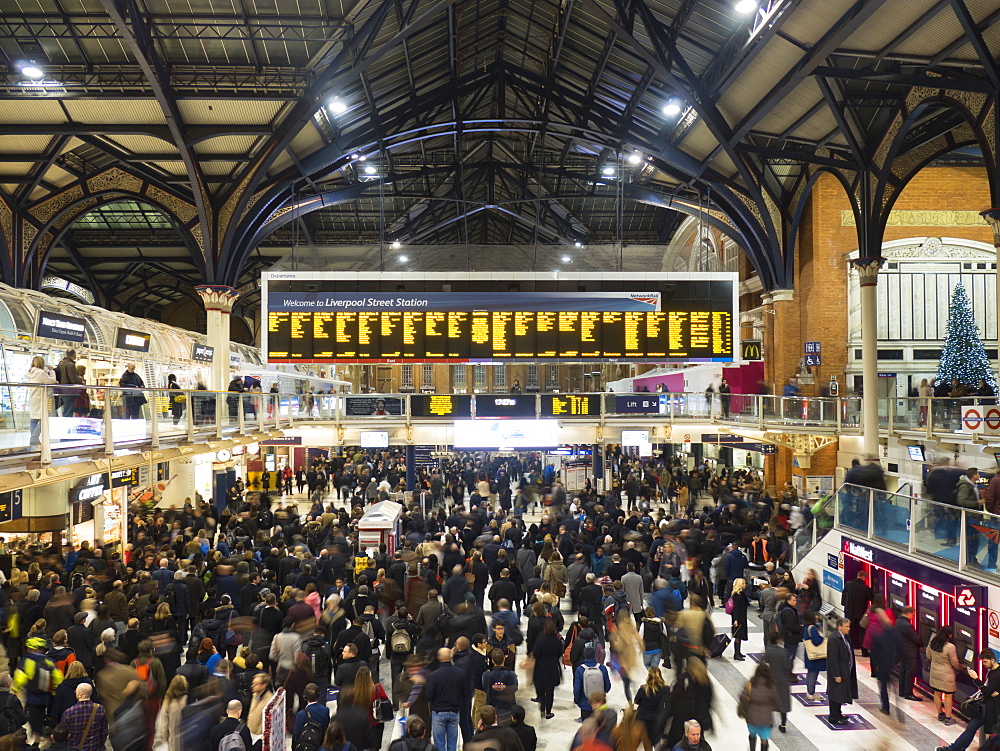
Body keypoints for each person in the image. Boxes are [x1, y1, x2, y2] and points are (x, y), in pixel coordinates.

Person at [937, 648, 1000, 751]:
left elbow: (988, 691)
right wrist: (988, 690)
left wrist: (976, 679)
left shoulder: (997, 674)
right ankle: (954, 749)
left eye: (985, 661)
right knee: (971, 729)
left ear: (992, 660)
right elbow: (988, 691)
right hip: (986, 706)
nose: (984, 664)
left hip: (990, 708)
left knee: (976, 731)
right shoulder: (992, 671)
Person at [13, 636, 64, 745]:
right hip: (47, 696)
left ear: (32, 648)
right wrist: (56, 692)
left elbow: (20, 678)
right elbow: (58, 678)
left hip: (32, 697)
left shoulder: (27, 661)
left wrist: (14, 690)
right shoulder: (49, 661)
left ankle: (37, 739)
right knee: (46, 716)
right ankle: (47, 735)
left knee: (34, 718)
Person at [424, 647, 469, 751]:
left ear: (439, 658)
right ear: (451, 656)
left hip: (439, 712)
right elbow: (465, 693)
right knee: (452, 744)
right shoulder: (460, 673)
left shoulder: (434, 676)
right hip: (454, 712)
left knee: (439, 744)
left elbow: (429, 696)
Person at [927, 624, 963, 725]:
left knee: (937, 693)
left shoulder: (932, 642)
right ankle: (948, 718)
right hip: (946, 675)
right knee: (948, 696)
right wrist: (962, 668)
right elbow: (955, 663)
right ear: (949, 635)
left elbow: (928, 656)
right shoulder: (950, 647)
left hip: (935, 673)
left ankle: (940, 714)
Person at [739, 662, 779, 751]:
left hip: (751, 715)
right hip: (766, 718)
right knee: (764, 738)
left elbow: (742, 698)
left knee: (752, 734)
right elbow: (776, 702)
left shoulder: (750, 684)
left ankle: (752, 749)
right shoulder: (772, 686)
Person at [826, 617, 858, 725]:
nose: (849, 629)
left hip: (846, 670)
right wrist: (836, 674)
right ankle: (833, 717)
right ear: (839, 626)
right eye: (846, 626)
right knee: (835, 694)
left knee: (840, 694)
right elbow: (833, 658)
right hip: (838, 672)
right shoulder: (834, 639)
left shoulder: (845, 637)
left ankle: (838, 713)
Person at [529, 618, 562, 720]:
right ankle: (548, 712)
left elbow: (535, 653)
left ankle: (542, 709)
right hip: (552, 668)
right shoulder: (557, 640)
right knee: (550, 691)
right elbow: (560, 653)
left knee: (541, 690)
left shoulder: (541, 639)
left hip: (540, 668)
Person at [870, 610, 901, 715]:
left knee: (883, 687)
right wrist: (896, 661)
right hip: (892, 666)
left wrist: (876, 667)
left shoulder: (879, 637)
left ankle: (885, 707)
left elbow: (874, 654)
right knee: (894, 688)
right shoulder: (895, 636)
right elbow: (900, 649)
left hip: (882, 667)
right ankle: (899, 712)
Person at [62, 682, 108, 751]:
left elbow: (64, 734)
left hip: (73, 748)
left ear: (80, 695)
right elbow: (104, 732)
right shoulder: (100, 709)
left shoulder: (69, 712)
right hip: (94, 748)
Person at [573, 646, 611, 722]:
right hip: (600, 703)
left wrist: (577, 700)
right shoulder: (602, 668)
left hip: (585, 703)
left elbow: (577, 688)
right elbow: (608, 686)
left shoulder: (580, 669)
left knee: (587, 727)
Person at [26, 356, 57, 445]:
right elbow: (52, 381)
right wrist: (51, 370)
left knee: (34, 419)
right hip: (41, 398)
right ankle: (34, 439)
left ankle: (34, 440)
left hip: (33, 397)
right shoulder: (41, 373)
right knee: (44, 418)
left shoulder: (30, 372)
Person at [895, 606, 924, 701]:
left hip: (902, 650)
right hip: (910, 652)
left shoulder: (898, 621)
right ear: (909, 613)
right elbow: (916, 638)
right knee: (910, 673)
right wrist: (922, 644)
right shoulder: (907, 625)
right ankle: (908, 693)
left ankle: (902, 691)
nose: (913, 616)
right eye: (913, 614)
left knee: (903, 671)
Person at [633, 666, 668, 743]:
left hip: (643, 718)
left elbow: (636, 701)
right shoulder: (666, 689)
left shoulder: (643, 689)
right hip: (657, 719)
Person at [152, 676, 185, 751]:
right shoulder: (186, 701)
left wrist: (163, 741)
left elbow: (163, 725)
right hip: (184, 741)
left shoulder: (167, 703)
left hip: (172, 742)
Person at [294, 683, 332, 749]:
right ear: (318, 695)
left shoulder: (301, 714)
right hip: (321, 746)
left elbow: (296, 735)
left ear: (305, 697)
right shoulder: (326, 710)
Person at [802, 612, 826, 701]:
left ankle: (810, 691)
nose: (817, 616)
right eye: (815, 615)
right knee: (813, 674)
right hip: (815, 655)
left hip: (809, 653)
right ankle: (811, 692)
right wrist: (822, 637)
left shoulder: (805, 627)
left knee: (810, 673)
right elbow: (816, 641)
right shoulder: (813, 628)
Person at [55, 349, 83, 418]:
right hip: (69, 391)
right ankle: (67, 427)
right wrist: (80, 378)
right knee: (69, 411)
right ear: (74, 355)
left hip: (62, 390)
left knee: (66, 410)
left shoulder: (61, 363)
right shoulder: (70, 365)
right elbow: (73, 379)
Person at [729, 578, 750, 661]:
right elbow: (736, 609)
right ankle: (736, 653)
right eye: (743, 583)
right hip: (738, 618)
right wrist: (736, 619)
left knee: (740, 635)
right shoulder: (737, 595)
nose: (745, 585)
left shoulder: (741, 594)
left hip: (742, 616)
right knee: (738, 635)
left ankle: (738, 652)